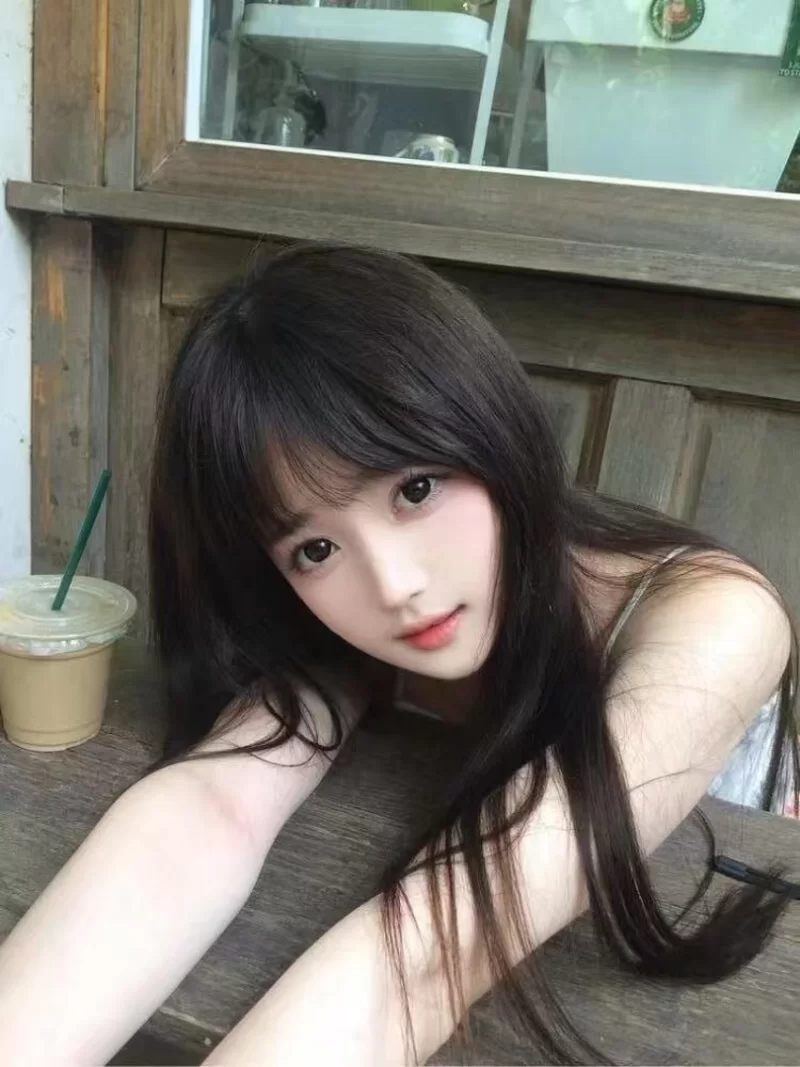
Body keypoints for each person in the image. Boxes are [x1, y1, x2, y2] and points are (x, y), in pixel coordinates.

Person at [0, 243, 797, 1066]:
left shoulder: (719, 613)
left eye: (415, 489)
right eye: (315, 547)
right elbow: (210, 804)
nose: (394, 585)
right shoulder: (342, 623)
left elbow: (428, 954)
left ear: (490, 425)